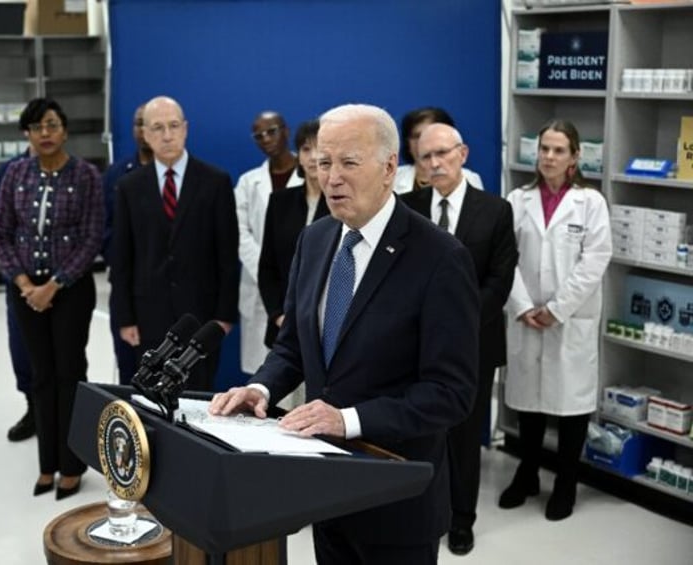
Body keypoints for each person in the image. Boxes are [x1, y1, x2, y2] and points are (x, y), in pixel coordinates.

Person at [210, 104, 480, 565]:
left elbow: (449, 394)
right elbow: (294, 344)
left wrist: (347, 419)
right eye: (322, 163)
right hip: (329, 493)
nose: (331, 178)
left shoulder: (440, 258)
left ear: (390, 167)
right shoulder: (314, 240)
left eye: (349, 163)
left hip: (398, 500)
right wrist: (259, 387)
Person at [402, 123, 518, 555]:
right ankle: (424, 511)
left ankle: (462, 519)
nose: (434, 164)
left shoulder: (495, 210)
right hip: (415, 343)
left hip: (474, 343)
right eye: (425, 157)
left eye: (443, 154)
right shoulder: (407, 207)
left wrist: (456, 323)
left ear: (462, 154)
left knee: (466, 436)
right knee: (421, 430)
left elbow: (499, 280)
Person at [0, 98, 104, 500]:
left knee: (69, 373)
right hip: (25, 290)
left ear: (65, 130)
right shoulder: (14, 175)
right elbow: (0, 233)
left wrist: (53, 285)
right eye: (36, 127)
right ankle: (46, 464)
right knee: (40, 375)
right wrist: (24, 284)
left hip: (70, 291)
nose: (45, 133)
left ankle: (72, 464)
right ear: (27, 134)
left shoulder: (87, 176)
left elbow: (92, 238)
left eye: (52, 125)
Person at [499, 119, 611, 521]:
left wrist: (558, 308)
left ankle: (566, 484)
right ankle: (527, 473)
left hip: (570, 319)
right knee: (529, 403)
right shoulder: (517, 198)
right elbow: (503, 257)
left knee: (571, 407)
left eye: (558, 150)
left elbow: (595, 260)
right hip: (526, 316)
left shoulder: (590, 202)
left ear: (575, 157)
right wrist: (524, 306)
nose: (548, 156)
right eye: (544, 148)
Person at [110, 96, 238, 392]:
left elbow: (227, 256)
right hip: (148, 316)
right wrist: (125, 317)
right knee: (151, 402)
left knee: (198, 400)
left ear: (186, 129)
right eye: (157, 128)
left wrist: (224, 316)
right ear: (144, 133)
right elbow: (123, 258)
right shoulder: (129, 187)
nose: (167, 135)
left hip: (201, 319)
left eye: (173, 126)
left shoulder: (215, 181)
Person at [257, 119, 328, 407]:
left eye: (319, 148)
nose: (312, 156)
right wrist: (279, 314)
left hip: (323, 328)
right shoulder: (281, 201)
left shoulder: (341, 203)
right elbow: (267, 267)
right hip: (284, 327)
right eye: (305, 148)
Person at [234, 111, 302, 375]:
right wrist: (265, 270)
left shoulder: (312, 175)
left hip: (299, 280)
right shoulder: (249, 182)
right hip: (257, 285)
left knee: (299, 369)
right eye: (258, 135)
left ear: (286, 130)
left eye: (271, 131)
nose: (265, 139)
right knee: (260, 372)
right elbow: (239, 231)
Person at [0, 135, 35, 443]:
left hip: (62, 282)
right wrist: (21, 277)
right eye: (37, 126)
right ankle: (34, 408)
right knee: (23, 346)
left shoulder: (75, 173)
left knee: (65, 353)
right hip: (21, 281)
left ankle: (64, 412)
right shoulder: (9, 172)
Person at [101, 103, 153, 385]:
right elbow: (103, 227)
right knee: (131, 372)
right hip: (128, 288)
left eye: (151, 123)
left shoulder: (184, 178)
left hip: (171, 294)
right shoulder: (116, 175)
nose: (144, 130)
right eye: (138, 123)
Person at [395, 106, 484, 194]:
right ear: (408, 143)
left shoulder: (469, 179)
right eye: (417, 136)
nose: (424, 141)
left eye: (431, 135)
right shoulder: (394, 178)